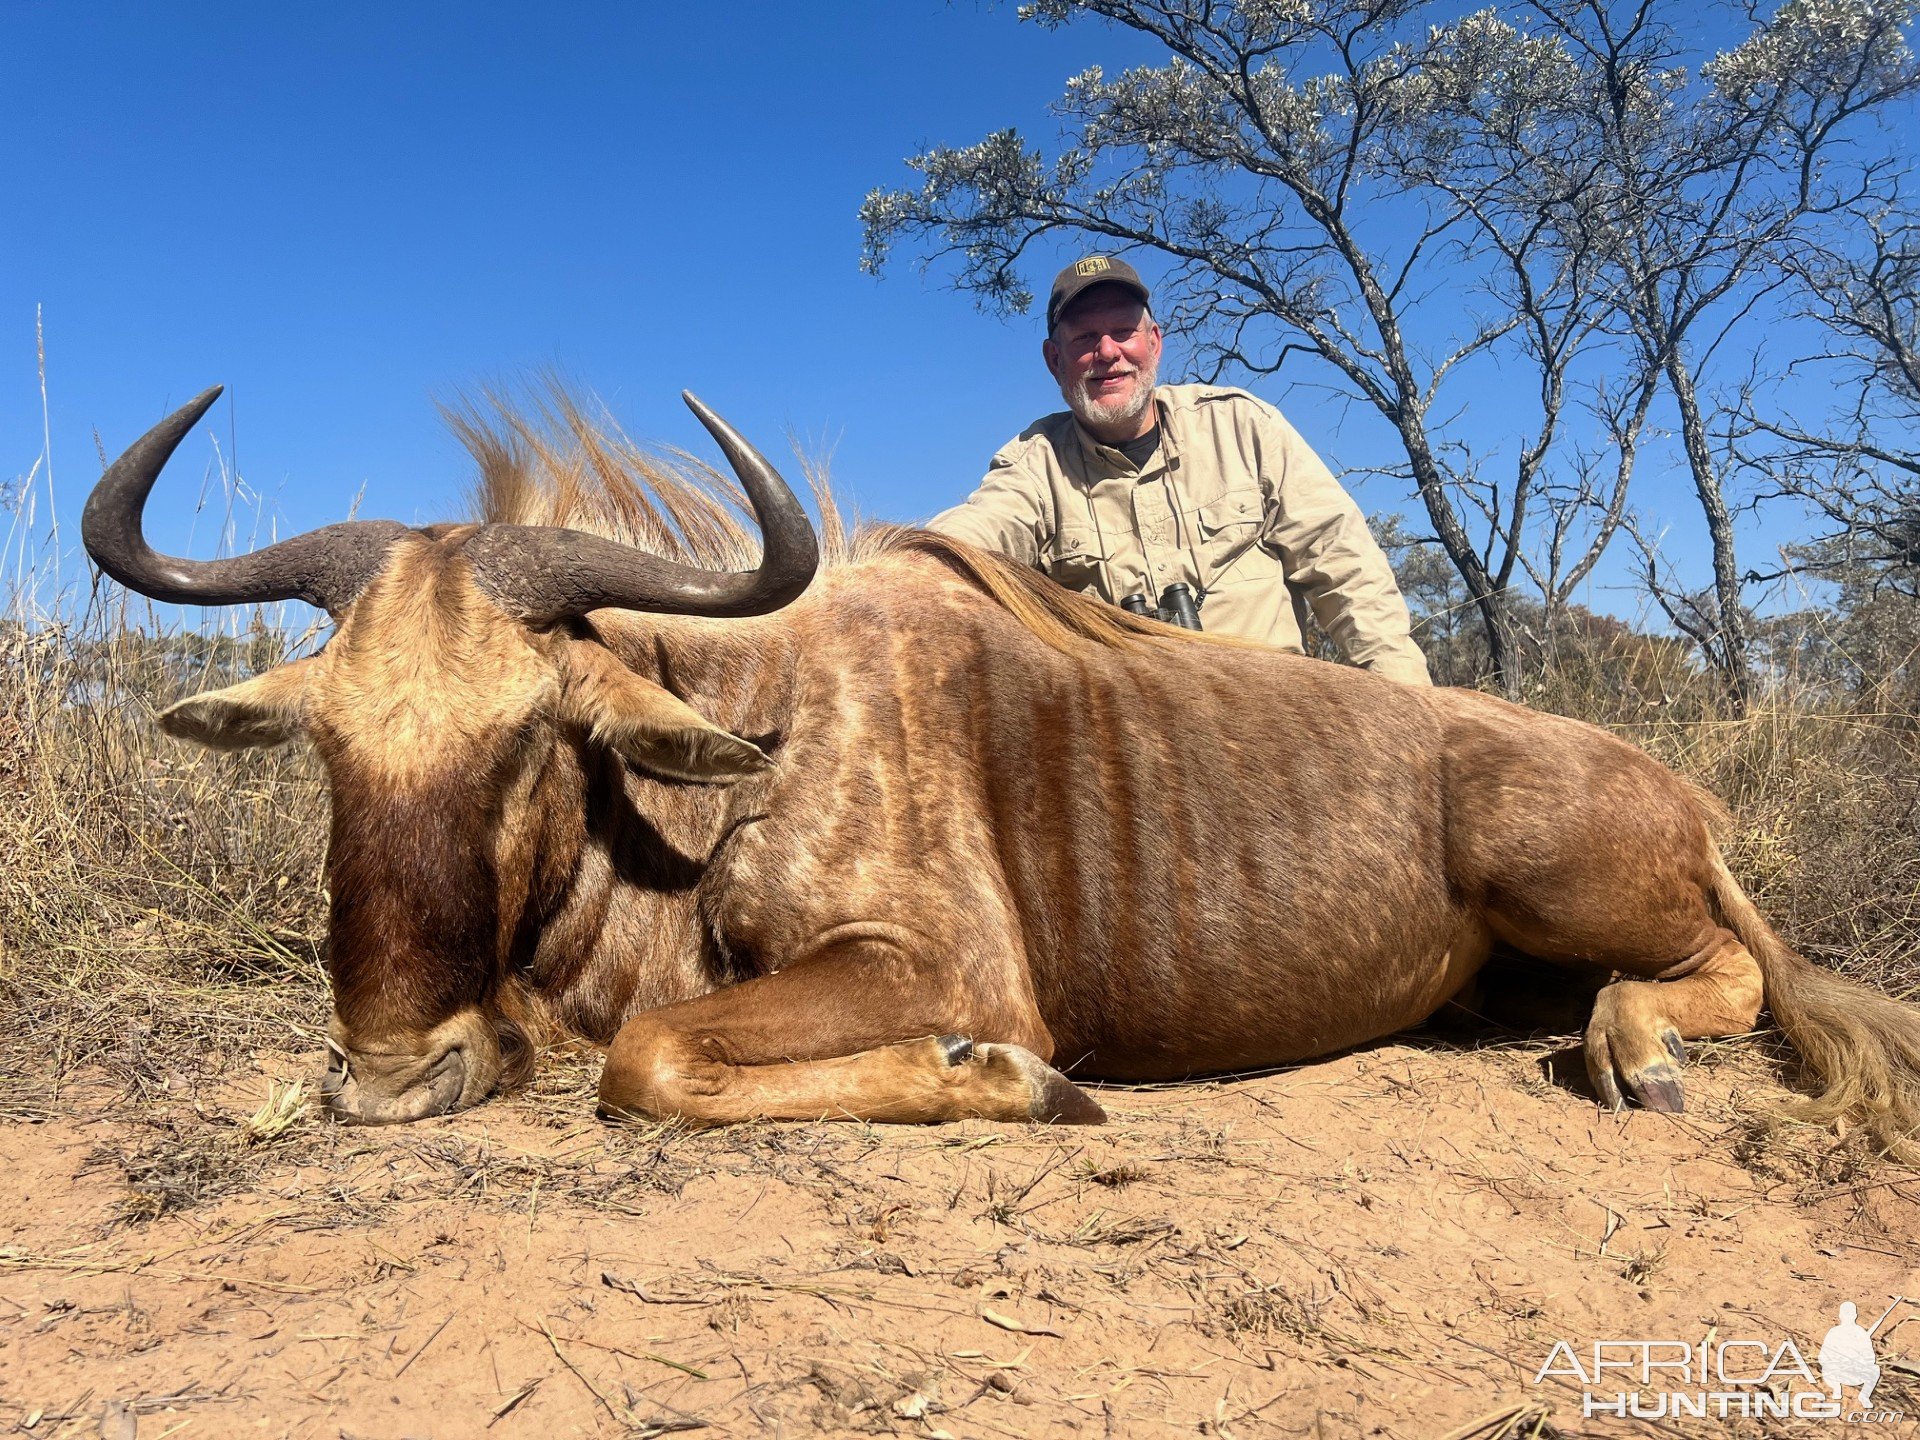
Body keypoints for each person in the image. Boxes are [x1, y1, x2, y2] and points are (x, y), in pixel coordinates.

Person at [928, 255, 1432, 686]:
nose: (1107, 353)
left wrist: (1408, 708)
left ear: (1154, 342)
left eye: (1124, 332)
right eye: (1085, 338)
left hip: (1282, 729)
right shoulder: (1032, 465)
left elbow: (1343, 566)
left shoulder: (1242, 424)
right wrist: (911, 570)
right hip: (1128, 757)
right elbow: (973, 535)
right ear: (1054, 360)